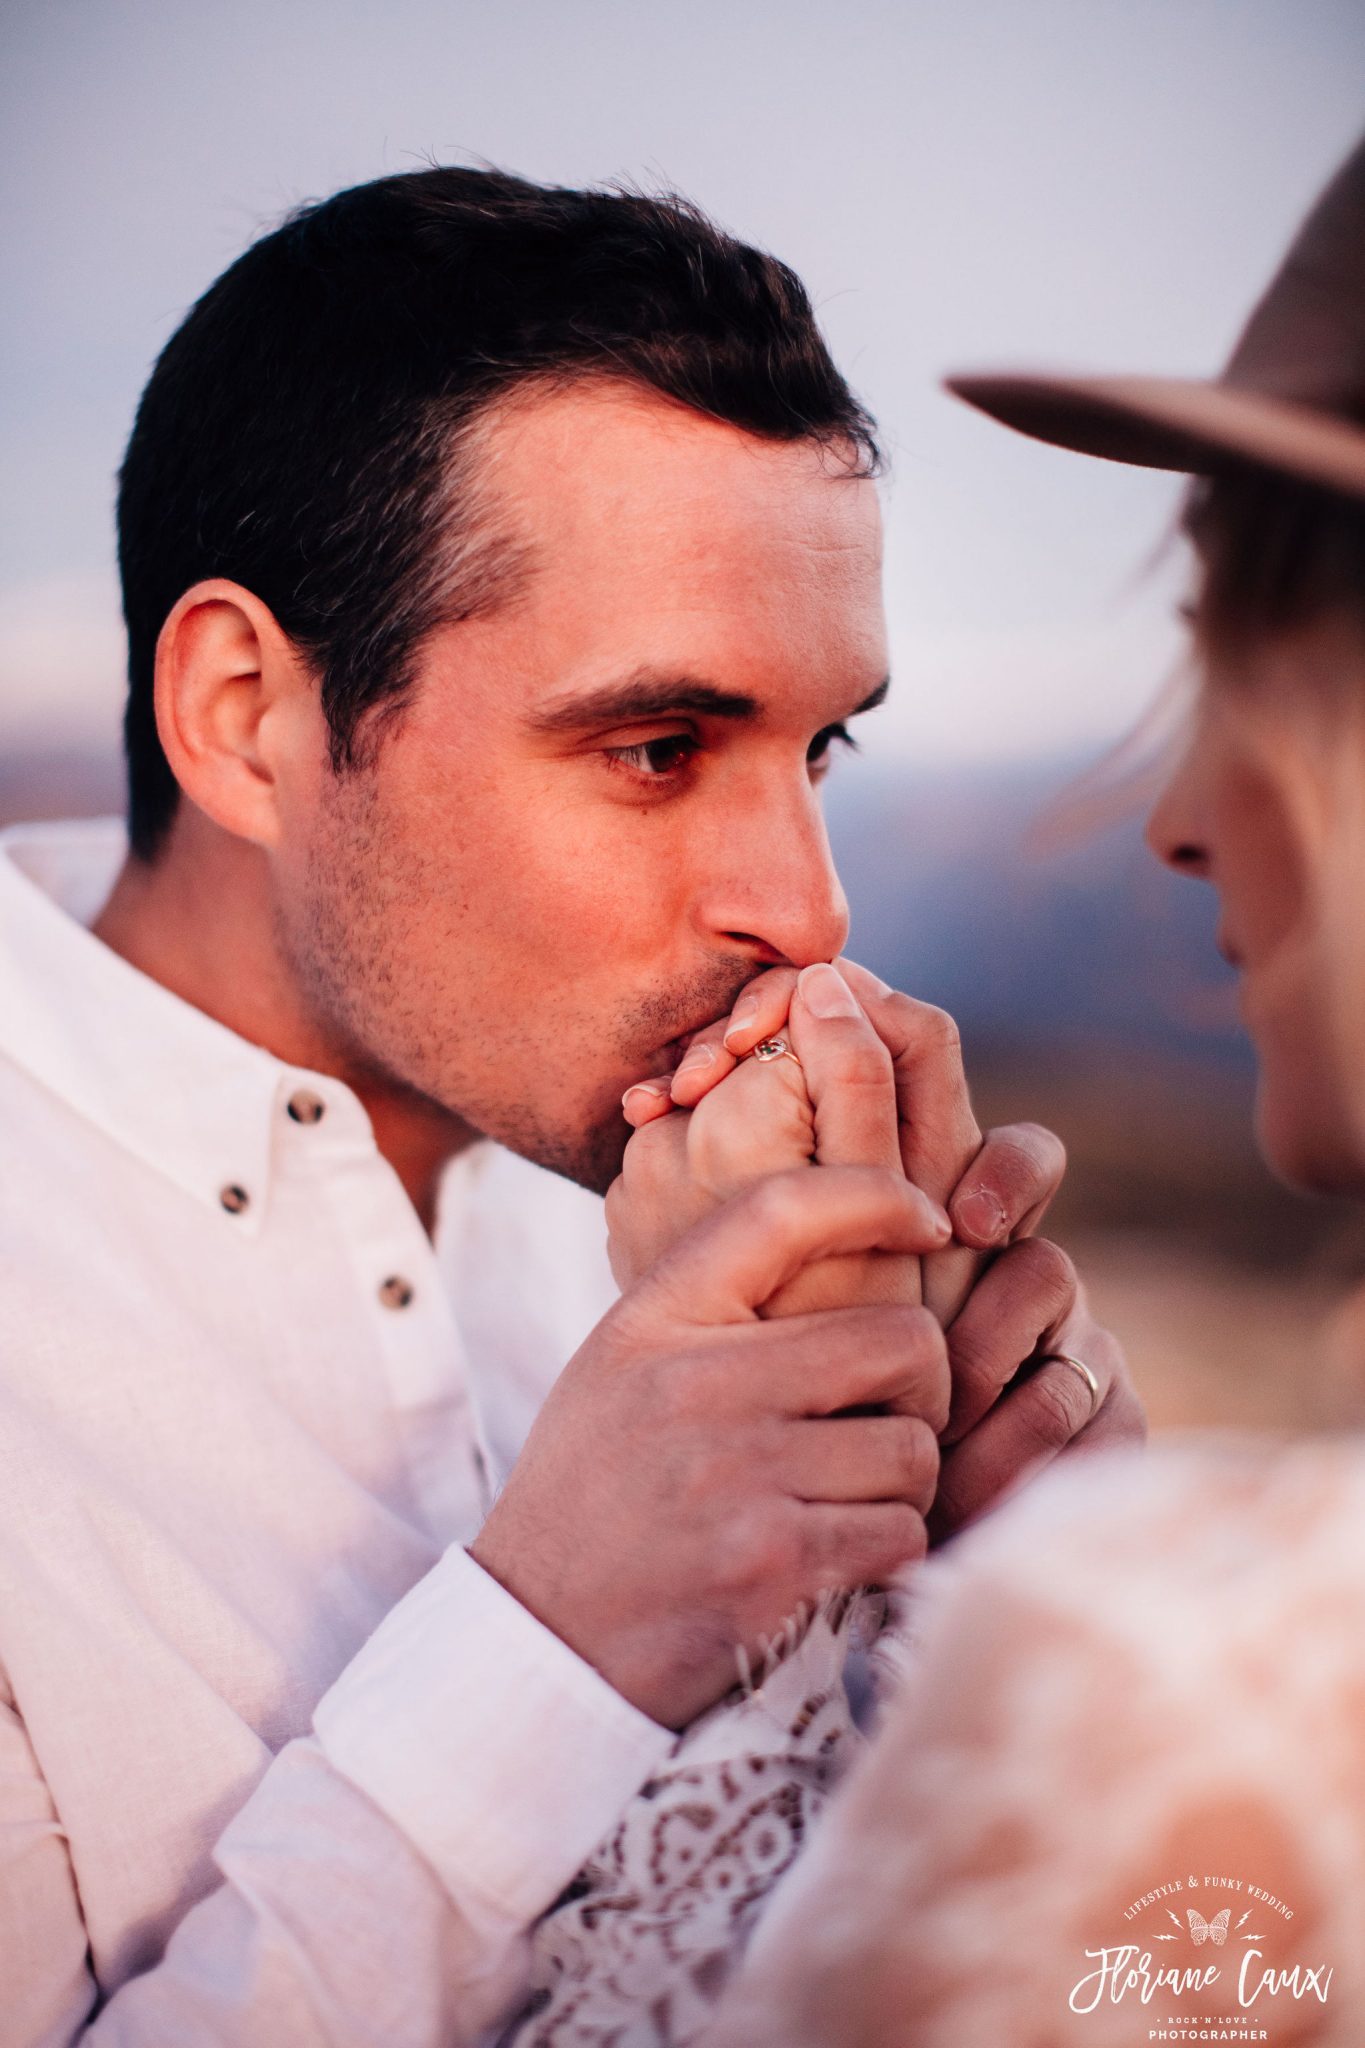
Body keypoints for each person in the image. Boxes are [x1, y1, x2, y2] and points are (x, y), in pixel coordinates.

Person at [0, 168, 1142, 2043]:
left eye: (818, 745)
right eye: (657, 746)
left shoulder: (676, 1213)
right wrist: (558, 1636)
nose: (810, 907)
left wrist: (1019, 1606)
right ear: (242, 714)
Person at [695, 131, 1365, 2046]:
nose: (1171, 819)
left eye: (1227, 667)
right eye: (663, 746)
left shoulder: (1186, 1685)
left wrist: (776, 1563)